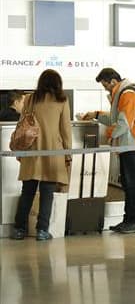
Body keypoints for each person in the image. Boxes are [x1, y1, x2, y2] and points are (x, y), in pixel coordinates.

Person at [81, 68, 135, 234]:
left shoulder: (127, 94)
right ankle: (129, 220)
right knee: (128, 183)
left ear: (113, 81)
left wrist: (109, 135)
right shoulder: (121, 94)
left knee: (133, 183)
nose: (106, 89)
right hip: (128, 144)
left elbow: (124, 123)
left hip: (134, 143)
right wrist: (96, 114)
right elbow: (115, 119)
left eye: (105, 86)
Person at [10, 70, 71, 241]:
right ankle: (42, 230)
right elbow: (65, 130)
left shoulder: (30, 99)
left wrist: (20, 150)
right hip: (53, 152)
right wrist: (68, 153)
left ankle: (19, 229)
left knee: (27, 192)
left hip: (31, 151)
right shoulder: (62, 100)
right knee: (47, 193)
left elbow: (22, 125)